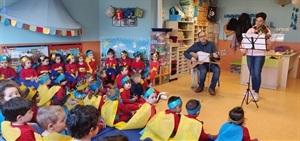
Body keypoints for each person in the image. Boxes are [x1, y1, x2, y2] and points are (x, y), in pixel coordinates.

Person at [240, 12, 271, 102]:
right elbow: (244, 40)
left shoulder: (267, 31)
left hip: (260, 55)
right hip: (250, 54)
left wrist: (266, 38)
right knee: (252, 73)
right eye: (256, 20)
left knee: (257, 73)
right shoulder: (250, 30)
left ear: (263, 21)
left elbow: (269, 44)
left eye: (260, 21)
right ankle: (252, 90)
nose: (258, 23)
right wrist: (243, 50)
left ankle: (256, 92)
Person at [184, 31, 220, 95]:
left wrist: (217, 56)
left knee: (217, 70)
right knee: (203, 70)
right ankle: (201, 86)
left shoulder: (211, 44)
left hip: (211, 63)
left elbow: (216, 56)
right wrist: (191, 58)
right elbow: (185, 52)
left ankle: (212, 88)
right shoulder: (196, 45)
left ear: (206, 36)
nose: (203, 38)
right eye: (201, 37)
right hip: (201, 64)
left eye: (204, 36)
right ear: (198, 38)